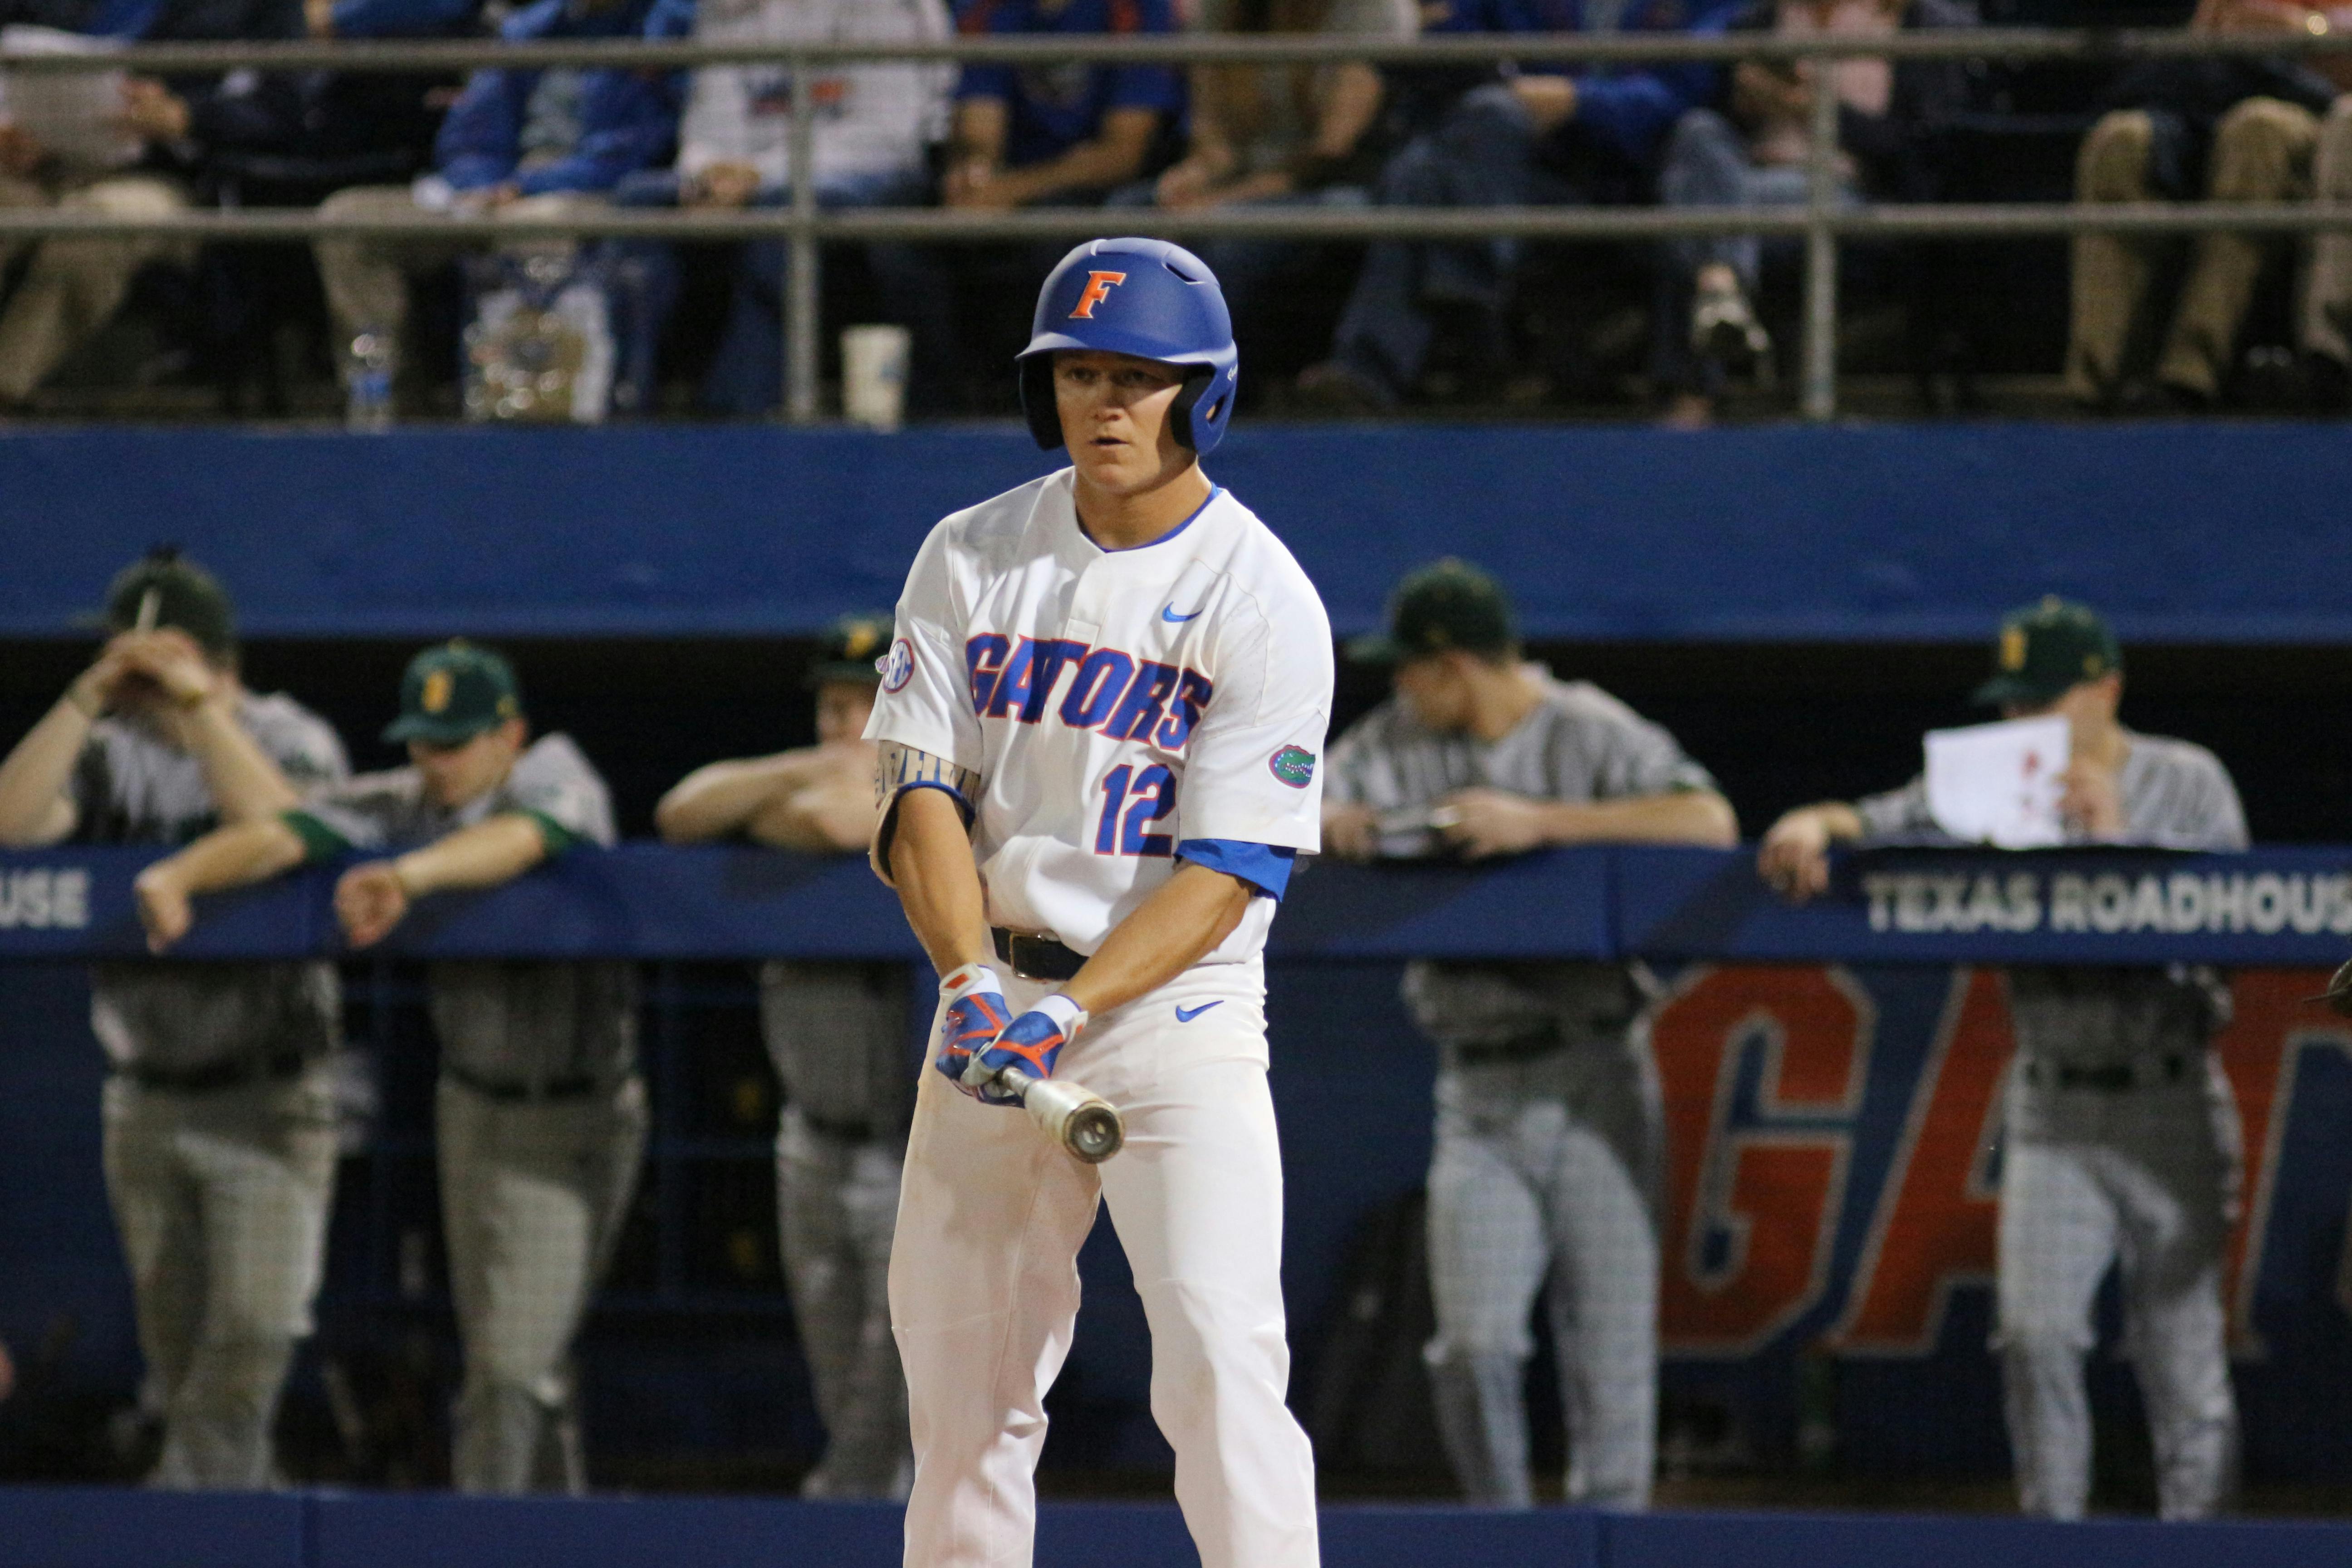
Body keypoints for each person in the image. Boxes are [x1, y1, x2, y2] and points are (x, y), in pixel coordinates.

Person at [867, 237, 1331, 1567]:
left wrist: (1065, 1013)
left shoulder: (1261, 597)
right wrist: (969, 985)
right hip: (992, 1000)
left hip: (1170, 1013)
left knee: (1218, 1371)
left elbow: (1232, 873)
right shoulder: (970, 553)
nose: (1109, 404)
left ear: (1207, 395)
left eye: (1143, 377)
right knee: (963, 1401)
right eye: (1082, 373)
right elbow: (921, 802)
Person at [1758, 597, 2248, 1521]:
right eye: (2014, 703)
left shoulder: (2189, 779)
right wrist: (1815, 820)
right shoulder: (1994, 776)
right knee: (2033, 1336)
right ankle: (2052, 1535)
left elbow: (2236, 938)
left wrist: (2119, 840)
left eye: (2046, 700)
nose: (2025, 722)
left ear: (2106, 688)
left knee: (2182, 1352)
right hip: (2052, 1101)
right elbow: (1874, 816)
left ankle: (2201, 1546)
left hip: (2168, 1090)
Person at [135, 641, 645, 1496]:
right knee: (515, 1365)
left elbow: (527, 837)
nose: (433, 763)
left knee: (526, 1362)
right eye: (422, 741)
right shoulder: (405, 799)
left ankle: (520, 1534)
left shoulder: (555, 771)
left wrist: (408, 876)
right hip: (478, 1106)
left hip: (592, 1103)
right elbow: (285, 827)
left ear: (508, 733)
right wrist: (184, 871)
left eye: (455, 742)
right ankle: (522, 1533)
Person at [1319, 558, 1737, 1511]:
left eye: (1411, 670)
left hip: (1593, 1070)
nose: (1399, 690)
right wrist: (1330, 815)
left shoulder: (1588, 726)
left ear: (1455, 665)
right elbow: (1300, 798)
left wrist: (1541, 822)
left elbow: (1709, 821)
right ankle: (1505, 1538)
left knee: (1611, 1350)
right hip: (1476, 1089)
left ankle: (1610, 1543)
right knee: (1473, 1348)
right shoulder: (1396, 740)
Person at [0, 549, 349, 1488]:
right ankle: (232, 1525)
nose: (131, 671)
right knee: (183, 1361)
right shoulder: (111, 752)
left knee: (250, 1342)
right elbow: (9, 821)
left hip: (273, 1093)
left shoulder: (288, 733)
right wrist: (82, 698)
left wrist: (199, 707)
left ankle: (190, 1532)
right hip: (148, 1099)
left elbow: (288, 830)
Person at [653, 612, 915, 1499]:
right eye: (831, 708)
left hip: (905, 1140)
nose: (844, 726)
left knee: (902, 1363)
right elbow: (684, 810)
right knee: (835, 1357)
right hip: (810, 1133)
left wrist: (831, 785)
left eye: (862, 706)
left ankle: (858, 1509)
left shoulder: (944, 785)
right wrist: (814, 768)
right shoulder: (809, 770)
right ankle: (865, 1506)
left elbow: (840, 825)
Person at [1294, 0, 1744, 412]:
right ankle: (1377, 376)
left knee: (1433, 173)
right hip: (1527, 175)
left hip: (1650, 179)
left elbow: (1697, 88)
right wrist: (1438, 32)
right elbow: (1449, 59)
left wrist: (1579, 103)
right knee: (1436, 159)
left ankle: (1453, 327)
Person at [309, 0, 679, 412]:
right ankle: (385, 403)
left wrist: (528, 187)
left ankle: (533, 416)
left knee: (538, 226)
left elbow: (633, 150)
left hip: (589, 193)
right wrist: (485, 184)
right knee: (348, 220)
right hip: (495, 191)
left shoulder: (664, 27)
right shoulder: (530, 29)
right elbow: (469, 136)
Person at [615, 0, 952, 416]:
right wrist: (707, 174)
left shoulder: (890, 8)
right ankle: (625, 397)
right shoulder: (729, 10)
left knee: (781, 210)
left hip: (867, 170)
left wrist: (757, 174)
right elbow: (707, 124)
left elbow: (887, 136)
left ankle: (740, 407)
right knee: (639, 200)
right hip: (756, 176)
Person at [1650, 0, 1976, 424]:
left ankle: (1694, 388)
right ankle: (1722, 287)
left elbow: (1918, 148)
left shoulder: (1914, 20)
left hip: (1850, 190)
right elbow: (1721, 125)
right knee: (1698, 133)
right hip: (1747, 181)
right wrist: (1747, 100)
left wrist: (1813, 108)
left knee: (1694, 214)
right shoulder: (1762, 19)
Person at [0, 0, 301, 412]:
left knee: (92, 230)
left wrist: (187, 118)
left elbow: (283, 112)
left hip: (163, 176)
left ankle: (7, 391)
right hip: (41, 166)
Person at [2064, 0, 2346, 412]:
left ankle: (2188, 376)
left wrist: (2306, 29)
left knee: (2258, 133)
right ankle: (2095, 386)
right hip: (2200, 97)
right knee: (2120, 142)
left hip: (2313, 102)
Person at [935, 0, 1186, 403]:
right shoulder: (991, 10)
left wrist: (1009, 191)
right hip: (1018, 187)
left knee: (1062, 234)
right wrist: (974, 176)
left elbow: (1122, 154)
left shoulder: (1138, 10)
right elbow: (982, 128)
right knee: (917, 232)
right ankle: (940, 399)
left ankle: (1061, 399)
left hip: (1108, 189)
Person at [1128, 0, 1412, 342]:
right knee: (1126, 216)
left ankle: (1202, 381)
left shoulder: (1373, 10)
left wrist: (1218, 201)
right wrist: (1194, 175)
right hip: (1239, 181)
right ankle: (1107, 372)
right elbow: (1213, 134)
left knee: (1223, 243)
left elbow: (1330, 153)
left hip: (1336, 183)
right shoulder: (1220, 10)